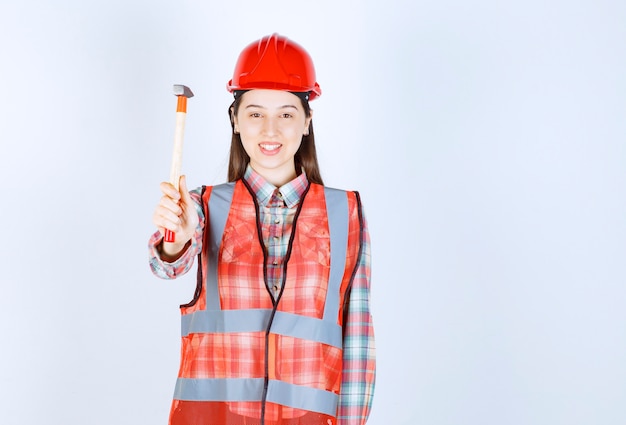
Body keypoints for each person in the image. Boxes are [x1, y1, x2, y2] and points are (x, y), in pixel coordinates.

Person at [148, 33, 375, 425]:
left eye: (286, 113)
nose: (270, 130)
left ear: (307, 121)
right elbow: (168, 264)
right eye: (255, 113)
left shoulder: (345, 212)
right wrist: (177, 238)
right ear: (235, 120)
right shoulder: (202, 206)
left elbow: (357, 338)